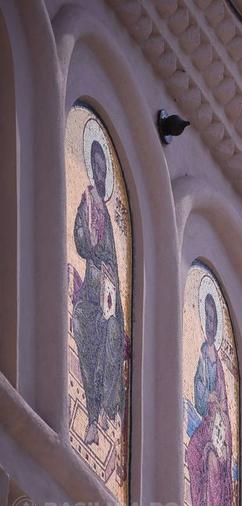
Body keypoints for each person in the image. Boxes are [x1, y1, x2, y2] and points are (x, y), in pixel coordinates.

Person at [71, 139, 125, 445]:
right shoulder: (88, 203)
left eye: (105, 169)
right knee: (80, 319)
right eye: (97, 167)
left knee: (112, 333)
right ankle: (92, 416)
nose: (101, 173)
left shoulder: (108, 215)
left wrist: (109, 276)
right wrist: (89, 238)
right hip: (90, 292)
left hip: (109, 297)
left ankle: (105, 408)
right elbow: (81, 243)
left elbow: (115, 263)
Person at [186, 293, 234, 506]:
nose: (211, 325)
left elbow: (225, 405)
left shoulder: (220, 366)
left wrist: (219, 409)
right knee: (193, 451)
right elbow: (198, 389)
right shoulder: (204, 353)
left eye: (214, 320)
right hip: (207, 422)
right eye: (208, 319)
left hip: (219, 429)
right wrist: (208, 398)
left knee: (214, 463)